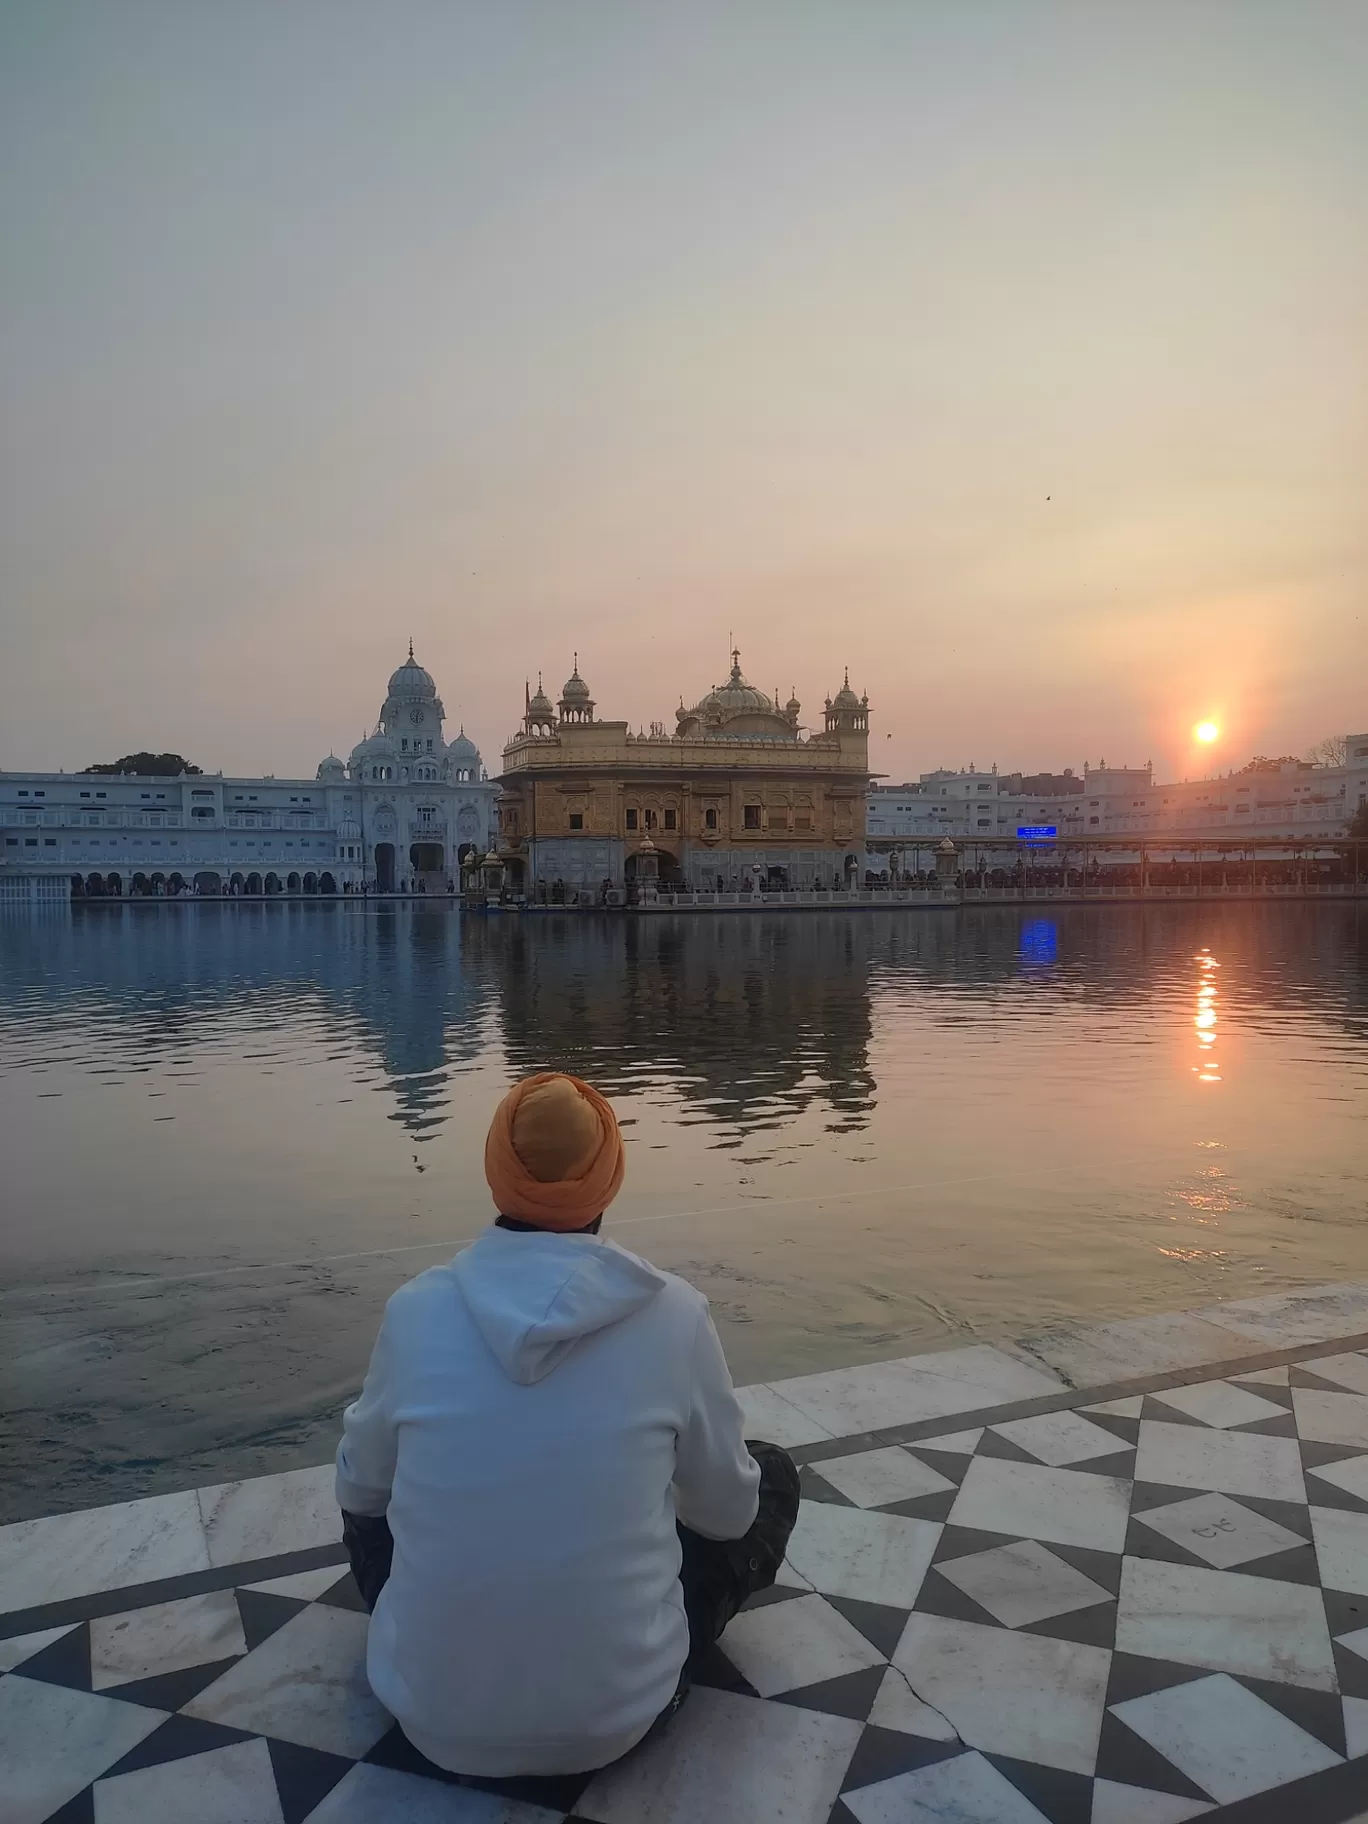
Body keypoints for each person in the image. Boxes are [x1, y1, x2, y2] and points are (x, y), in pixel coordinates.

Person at [335, 1072, 799, 1779]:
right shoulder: (673, 1314)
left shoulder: (416, 1310)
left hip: (428, 1711)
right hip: (616, 1716)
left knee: (376, 1511)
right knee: (769, 1473)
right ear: (609, 1178)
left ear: (495, 1174)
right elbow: (728, 1516)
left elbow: (361, 1493)